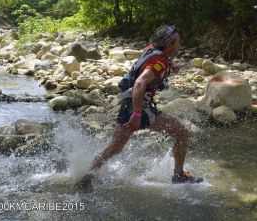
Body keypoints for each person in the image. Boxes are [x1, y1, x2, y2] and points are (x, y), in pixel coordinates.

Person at [82, 25, 202, 185]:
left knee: (115, 147)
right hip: (140, 108)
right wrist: (137, 114)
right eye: (178, 42)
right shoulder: (159, 62)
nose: (180, 46)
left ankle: (86, 176)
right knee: (182, 133)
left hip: (129, 104)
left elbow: (149, 63)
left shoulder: (152, 50)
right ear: (170, 44)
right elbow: (140, 83)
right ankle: (179, 175)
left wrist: (171, 66)